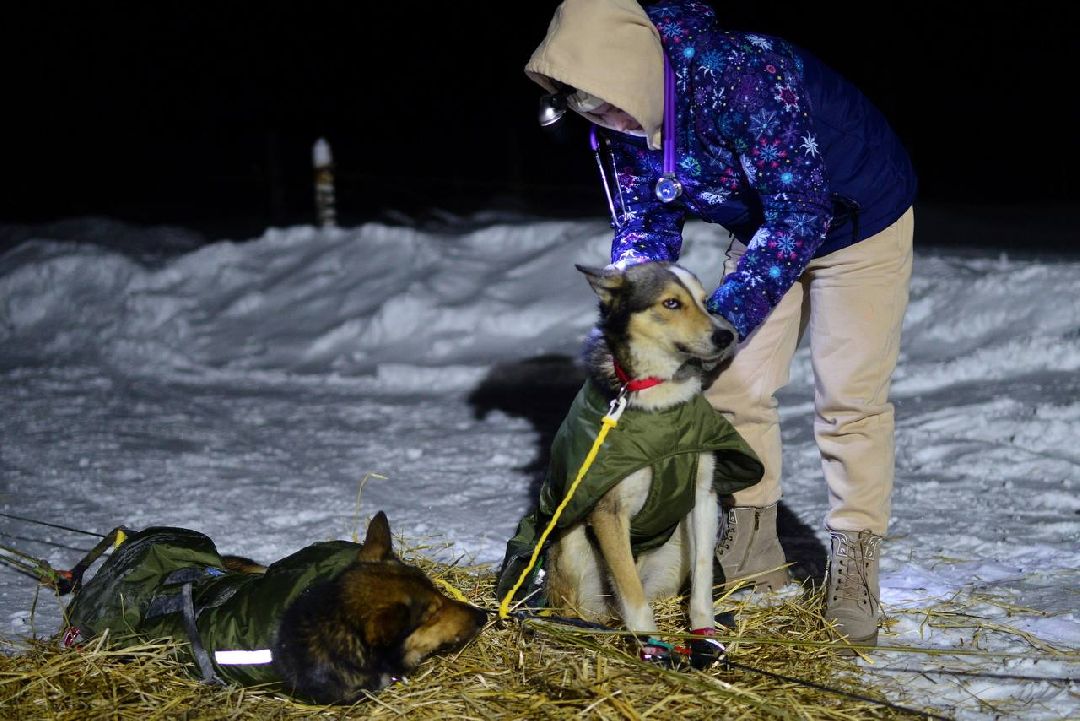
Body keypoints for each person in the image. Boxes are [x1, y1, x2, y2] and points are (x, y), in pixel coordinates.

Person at [525, 0, 916, 646]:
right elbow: (646, 226)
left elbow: (801, 210)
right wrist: (632, 319)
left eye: (611, 102)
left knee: (850, 394)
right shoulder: (618, 117)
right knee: (733, 385)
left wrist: (719, 319)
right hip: (764, 226)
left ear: (633, 67)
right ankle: (754, 544)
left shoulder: (735, 77)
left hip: (859, 215)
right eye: (590, 111)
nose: (610, 119)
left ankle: (855, 562)